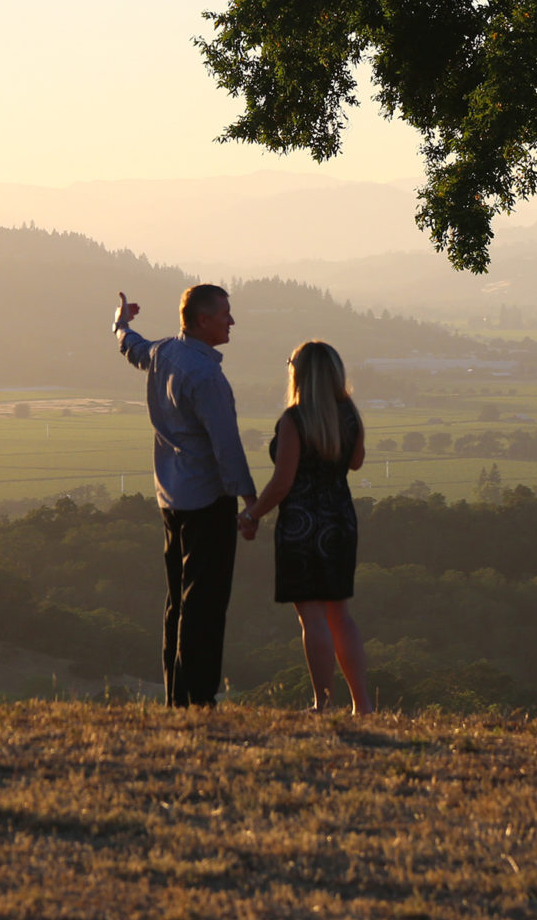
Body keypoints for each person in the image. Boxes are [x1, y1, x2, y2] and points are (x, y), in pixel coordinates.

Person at [113, 285, 258, 707]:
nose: (231, 322)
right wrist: (250, 501)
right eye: (225, 314)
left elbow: (132, 347)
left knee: (178, 603)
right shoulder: (206, 376)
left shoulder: (163, 353)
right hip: (207, 503)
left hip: (170, 498)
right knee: (205, 608)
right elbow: (226, 447)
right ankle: (197, 701)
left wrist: (119, 322)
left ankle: (178, 699)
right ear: (201, 321)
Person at [239, 340, 373, 714]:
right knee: (340, 614)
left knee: (311, 616)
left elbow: (282, 482)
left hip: (301, 524)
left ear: (298, 373)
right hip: (341, 520)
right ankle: (362, 705)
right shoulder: (350, 415)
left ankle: (323, 703)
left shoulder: (294, 420)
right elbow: (357, 463)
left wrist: (250, 516)